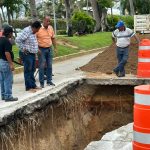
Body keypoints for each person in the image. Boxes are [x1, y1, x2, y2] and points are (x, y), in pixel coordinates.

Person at [16, 21, 42, 92]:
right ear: (34, 27)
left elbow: (33, 42)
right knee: (28, 70)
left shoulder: (33, 32)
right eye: (37, 29)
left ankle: (33, 85)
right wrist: (22, 48)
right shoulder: (27, 31)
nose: (38, 31)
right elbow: (17, 40)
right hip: (27, 54)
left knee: (32, 70)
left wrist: (37, 49)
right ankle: (28, 87)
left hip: (32, 54)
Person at [36, 16, 57, 88]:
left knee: (49, 65)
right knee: (41, 66)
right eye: (47, 21)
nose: (48, 22)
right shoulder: (39, 28)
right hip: (41, 49)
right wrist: (37, 48)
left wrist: (55, 48)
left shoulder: (50, 28)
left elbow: (53, 38)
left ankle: (49, 81)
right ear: (43, 20)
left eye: (49, 21)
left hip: (49, 48)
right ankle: (41, 83)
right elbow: (34, 39)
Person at [0, 26, 18, 101]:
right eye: (11, 33)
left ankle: (3, 95)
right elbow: (7, 53)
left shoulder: (0, 39)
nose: (12, 34)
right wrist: (11, 64)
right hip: (5, 62)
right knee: (8, 79)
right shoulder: (7, 41)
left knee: (2, 79)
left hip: (0, 62)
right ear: (9, 33)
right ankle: (8, 96)